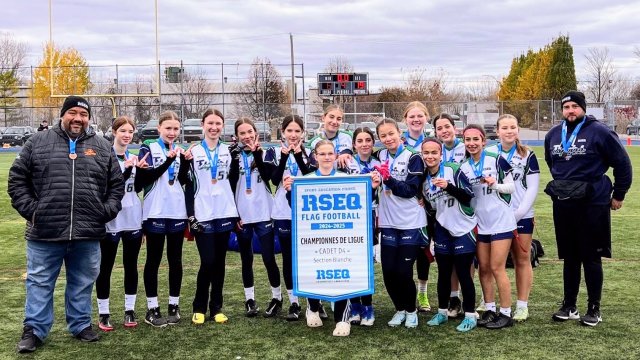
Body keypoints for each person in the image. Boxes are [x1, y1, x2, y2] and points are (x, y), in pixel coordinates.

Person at [9, 96, 124, 353]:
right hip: (45, 231)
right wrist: (34, 212)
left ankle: (81, 324)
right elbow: (17, 180)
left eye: (83, 114)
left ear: (89, 119)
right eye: (72, 112)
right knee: (39, 282)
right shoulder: (37, 142)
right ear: (63, 115)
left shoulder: (102, 146)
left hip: (87, 231)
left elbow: (116, 185)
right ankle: (34, 330)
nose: (78, 118)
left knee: (82, 281)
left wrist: (104, 212)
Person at [545, 91, 632, 327]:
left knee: (591, 256)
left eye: (575, 106)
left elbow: (623, 164)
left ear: (583, 108)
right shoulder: (553, 134)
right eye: (566, 107)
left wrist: (619, 194)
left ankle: (594, 308)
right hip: (564, 202)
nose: (570, 111)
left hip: (592, 202)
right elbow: (551, 163)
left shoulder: (600, 132)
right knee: (570, 257)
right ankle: (569, 305)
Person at [283, 140, 382, 336]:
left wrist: (371, 188)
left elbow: (362, 202)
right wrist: (289, 191)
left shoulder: (345, 178)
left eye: (330, 153)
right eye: (322, 154)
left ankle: (342, 319)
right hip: (314, 237)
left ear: (336, 156)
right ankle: (312, 307)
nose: (327, 157)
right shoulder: (306, 179)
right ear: (315, 156)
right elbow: (295, 206)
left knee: (341, 276)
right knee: (313, 270)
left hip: (340, 239)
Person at [184, 108, 239, 325]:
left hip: (225, 212)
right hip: (203, 214)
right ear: (203, 125)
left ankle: (216, 307)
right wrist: (191, 216)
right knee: (207, 261)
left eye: (218, 124)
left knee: (220, 263)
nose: (214, 127)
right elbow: (188, 185)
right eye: (210, 123)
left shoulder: (229, 151)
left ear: (222, 126)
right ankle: (198, 306)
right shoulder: (193, 151)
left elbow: (234, 182)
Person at [459, 124, 516, 330]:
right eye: (468, 140)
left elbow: (511, 187)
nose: (472, 143)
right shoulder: (464, 167)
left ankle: (506, 313)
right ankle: (490, 309)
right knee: (483, 268)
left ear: (484, 141)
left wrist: (494, 184)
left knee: (496, 267)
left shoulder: (496, 159)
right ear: (464, 142)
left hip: (500, 221)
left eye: (476, 139)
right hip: (480, 223)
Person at [137, 110, 190, 328]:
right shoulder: (147, 148)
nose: (172, 132)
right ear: (159, 128)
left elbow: (184, 180)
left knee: (175, 260)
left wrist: (185, 161)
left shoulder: (180, 150)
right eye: (168, 128)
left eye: (176, 129)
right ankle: (152, 308)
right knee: (154, 260)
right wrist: (169, 161)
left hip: (177, 211)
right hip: (155, 212)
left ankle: (173, 305)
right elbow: (145, 178)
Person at [95, 116, 147, 331]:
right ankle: (104, 312)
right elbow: (108, 189)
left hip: (133, 218)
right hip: (111, 220)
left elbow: (137, 189)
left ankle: (129, 310)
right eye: (123, 131)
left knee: (131, 266)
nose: (127, 135)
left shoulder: (135, 158)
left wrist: (142, 172)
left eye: (130, 131)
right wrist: (125, 170)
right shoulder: (104, 158)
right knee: (105, 267)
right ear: (114, 132)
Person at [486, 114, 540, 322]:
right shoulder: (489, 152)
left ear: (518, 130)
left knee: (521, 259)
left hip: (521, 215)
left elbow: (532, 188)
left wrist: (516, 214)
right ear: (497, 131)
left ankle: (522, 305)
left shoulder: (528, 154)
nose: (509, 131)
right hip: (493, 217)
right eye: (505, 128)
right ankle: (488, 301)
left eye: (513, 127)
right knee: (492, 262)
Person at [420, 138, 478, 332]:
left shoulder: (453, 169)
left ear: (441, 154)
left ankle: (470, 315)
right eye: (426, 153)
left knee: (463, 274)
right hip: (442, 230)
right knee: (443, 274)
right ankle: (442, 312)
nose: (430, 156)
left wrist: (448, 187)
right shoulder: (424, 181)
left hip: (463, 228)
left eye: (434, 153)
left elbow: (469, 197)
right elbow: (431, 208)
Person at [228, 117, 282, 318]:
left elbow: (269, 177)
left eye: (250, 132)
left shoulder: (267, 152)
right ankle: (249, 300)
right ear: (237, 136)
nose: (247, 136)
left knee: (269, 258)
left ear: (256, 133)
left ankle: (277, 298)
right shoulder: (232, 155)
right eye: (242, 133)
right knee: (246, 259)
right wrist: (234, 214)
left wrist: (257, 153)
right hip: (242, 214)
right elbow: (230, 184)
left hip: (263, 213)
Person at [374, 118, 426, 328]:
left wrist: (389, 179)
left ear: (399, 133)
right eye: (383, 136)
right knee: (388, 271)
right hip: (387, 222)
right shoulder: (379, 156)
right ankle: (400, 309)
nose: (388, 139)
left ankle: (412, 310)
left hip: (410, 221)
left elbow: (410, 191)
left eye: (391, 134)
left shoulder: (414, 157)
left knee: (404, 271)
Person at [265, 115, 312, 321]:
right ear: (283, 132)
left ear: (303, 133)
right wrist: (285, 157)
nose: (293, 135)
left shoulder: (309, 151)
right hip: (283, 212)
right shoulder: (274, 151)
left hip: (306, 212)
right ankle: (293, 302)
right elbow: (273, 180)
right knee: (288, 259)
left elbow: (310, 176)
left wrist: (300, 155)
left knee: (307, 259)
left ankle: (313, 302)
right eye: (289, 131)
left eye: (297, 131)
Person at [341, 127, 380, 326]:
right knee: (351, 261)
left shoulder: (379, 162)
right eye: (360, 140)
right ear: (354, 145)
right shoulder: (347, 163)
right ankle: (354, 305)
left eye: (368, 140)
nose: (364, 144)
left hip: (370, 216)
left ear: (373, 143)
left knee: (366, 265)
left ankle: (368, 306)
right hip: (351, 218)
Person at [432, 112, 467, 317]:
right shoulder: (436, 150)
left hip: (466, 207)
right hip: (443, 210)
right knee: (448, 259)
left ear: (455, 127)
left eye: (447, 126)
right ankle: (454, 299)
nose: (444, 131)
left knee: (467, 259)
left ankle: (475, 299)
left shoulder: (467, 147)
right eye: (439, 128)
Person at [401, 101, 433, 313]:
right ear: (405, 120)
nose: (416, 120)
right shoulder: (398, 142)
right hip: (403, 205)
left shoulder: (432, 142)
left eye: (420, 116)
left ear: (426, 118)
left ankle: (422, 293)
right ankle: (405, 293)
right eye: (412, 116)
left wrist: (425, 195)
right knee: (405, 250)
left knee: (424, 250)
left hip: (427, 204)